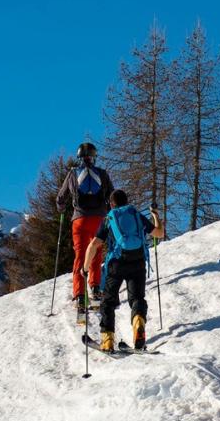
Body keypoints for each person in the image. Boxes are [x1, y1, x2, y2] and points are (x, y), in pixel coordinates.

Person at [82, 189, 164, 352]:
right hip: (138, 261)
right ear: (126, 201)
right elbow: (159, 233)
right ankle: (138, 324)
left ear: (111, 204)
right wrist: (155, 214)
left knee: (108, 301)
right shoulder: (135, 214)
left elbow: (94, 245)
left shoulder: (109, 218)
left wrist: (85, 268)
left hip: (117, 264)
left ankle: (107, 340)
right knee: (137, 298)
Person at [56, 142, 114, 314]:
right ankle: (95, 288)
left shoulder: (73, 173)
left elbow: (61, 197)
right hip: (99, 219)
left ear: (79, 157)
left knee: (80, 256)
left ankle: (80, 295)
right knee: (95, 253)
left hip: (79, 220)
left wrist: (61, 209)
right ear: (94, 157)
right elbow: (112, 196)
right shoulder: (102, 174)